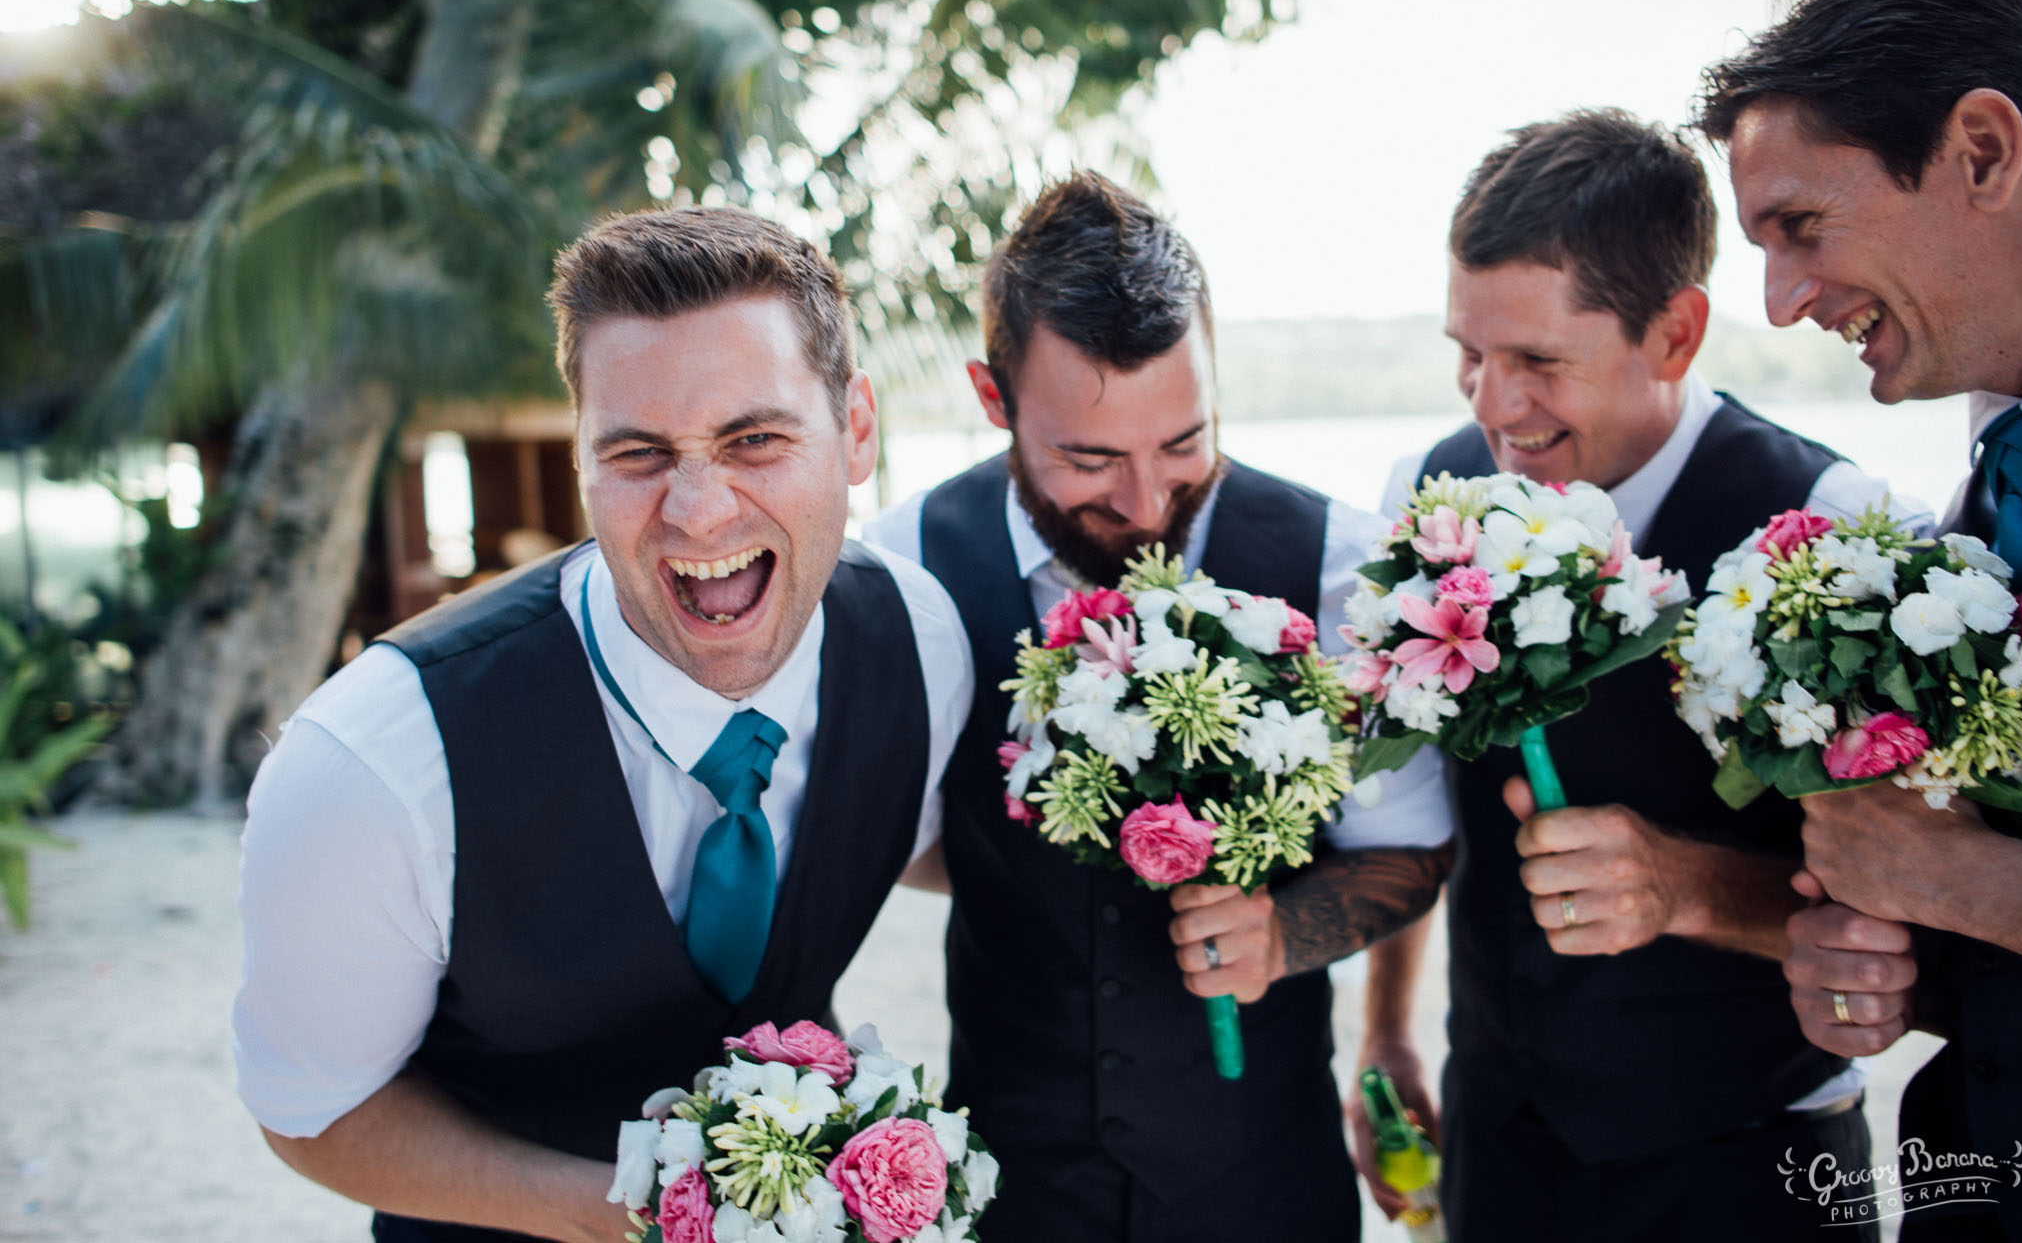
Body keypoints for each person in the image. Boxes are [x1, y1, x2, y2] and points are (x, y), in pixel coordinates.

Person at [232, 207, 972, 1243]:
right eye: (637, 453)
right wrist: (628, 1218)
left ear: (856, 429)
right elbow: (314, 1111)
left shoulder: (920, 640)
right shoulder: (369, 770)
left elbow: (919, 838)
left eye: (754, 439)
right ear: (581, 455)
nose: (699, 509)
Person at [1353, 110, 1929, 1243]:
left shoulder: (1840, 535)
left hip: (1749, 1164)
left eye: (1537, 362)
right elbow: (1412, 803)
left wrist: (1685, 887)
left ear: (1674, 333)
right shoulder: (1424, 496)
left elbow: (1912, 911)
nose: (1490, 406)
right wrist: (1384, 1031)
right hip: (1498, 1146)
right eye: (1469, 353)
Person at [865, 171, 1454, 1243]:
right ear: (993, 397)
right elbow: (895, 842)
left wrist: (1285, 931)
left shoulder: (1347, 569)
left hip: (1267, 1186)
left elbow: (1411, 849)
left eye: (1183, 442)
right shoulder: (901, 575)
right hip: (1010, 1189)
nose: (1144, 504)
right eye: (1089, 458)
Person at [1701, 0, 2022, 1240]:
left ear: (1981, 153)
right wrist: (1889, 959)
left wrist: (1963, 882)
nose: (1780, 301)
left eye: (1801, 226)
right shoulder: (1987, 489)